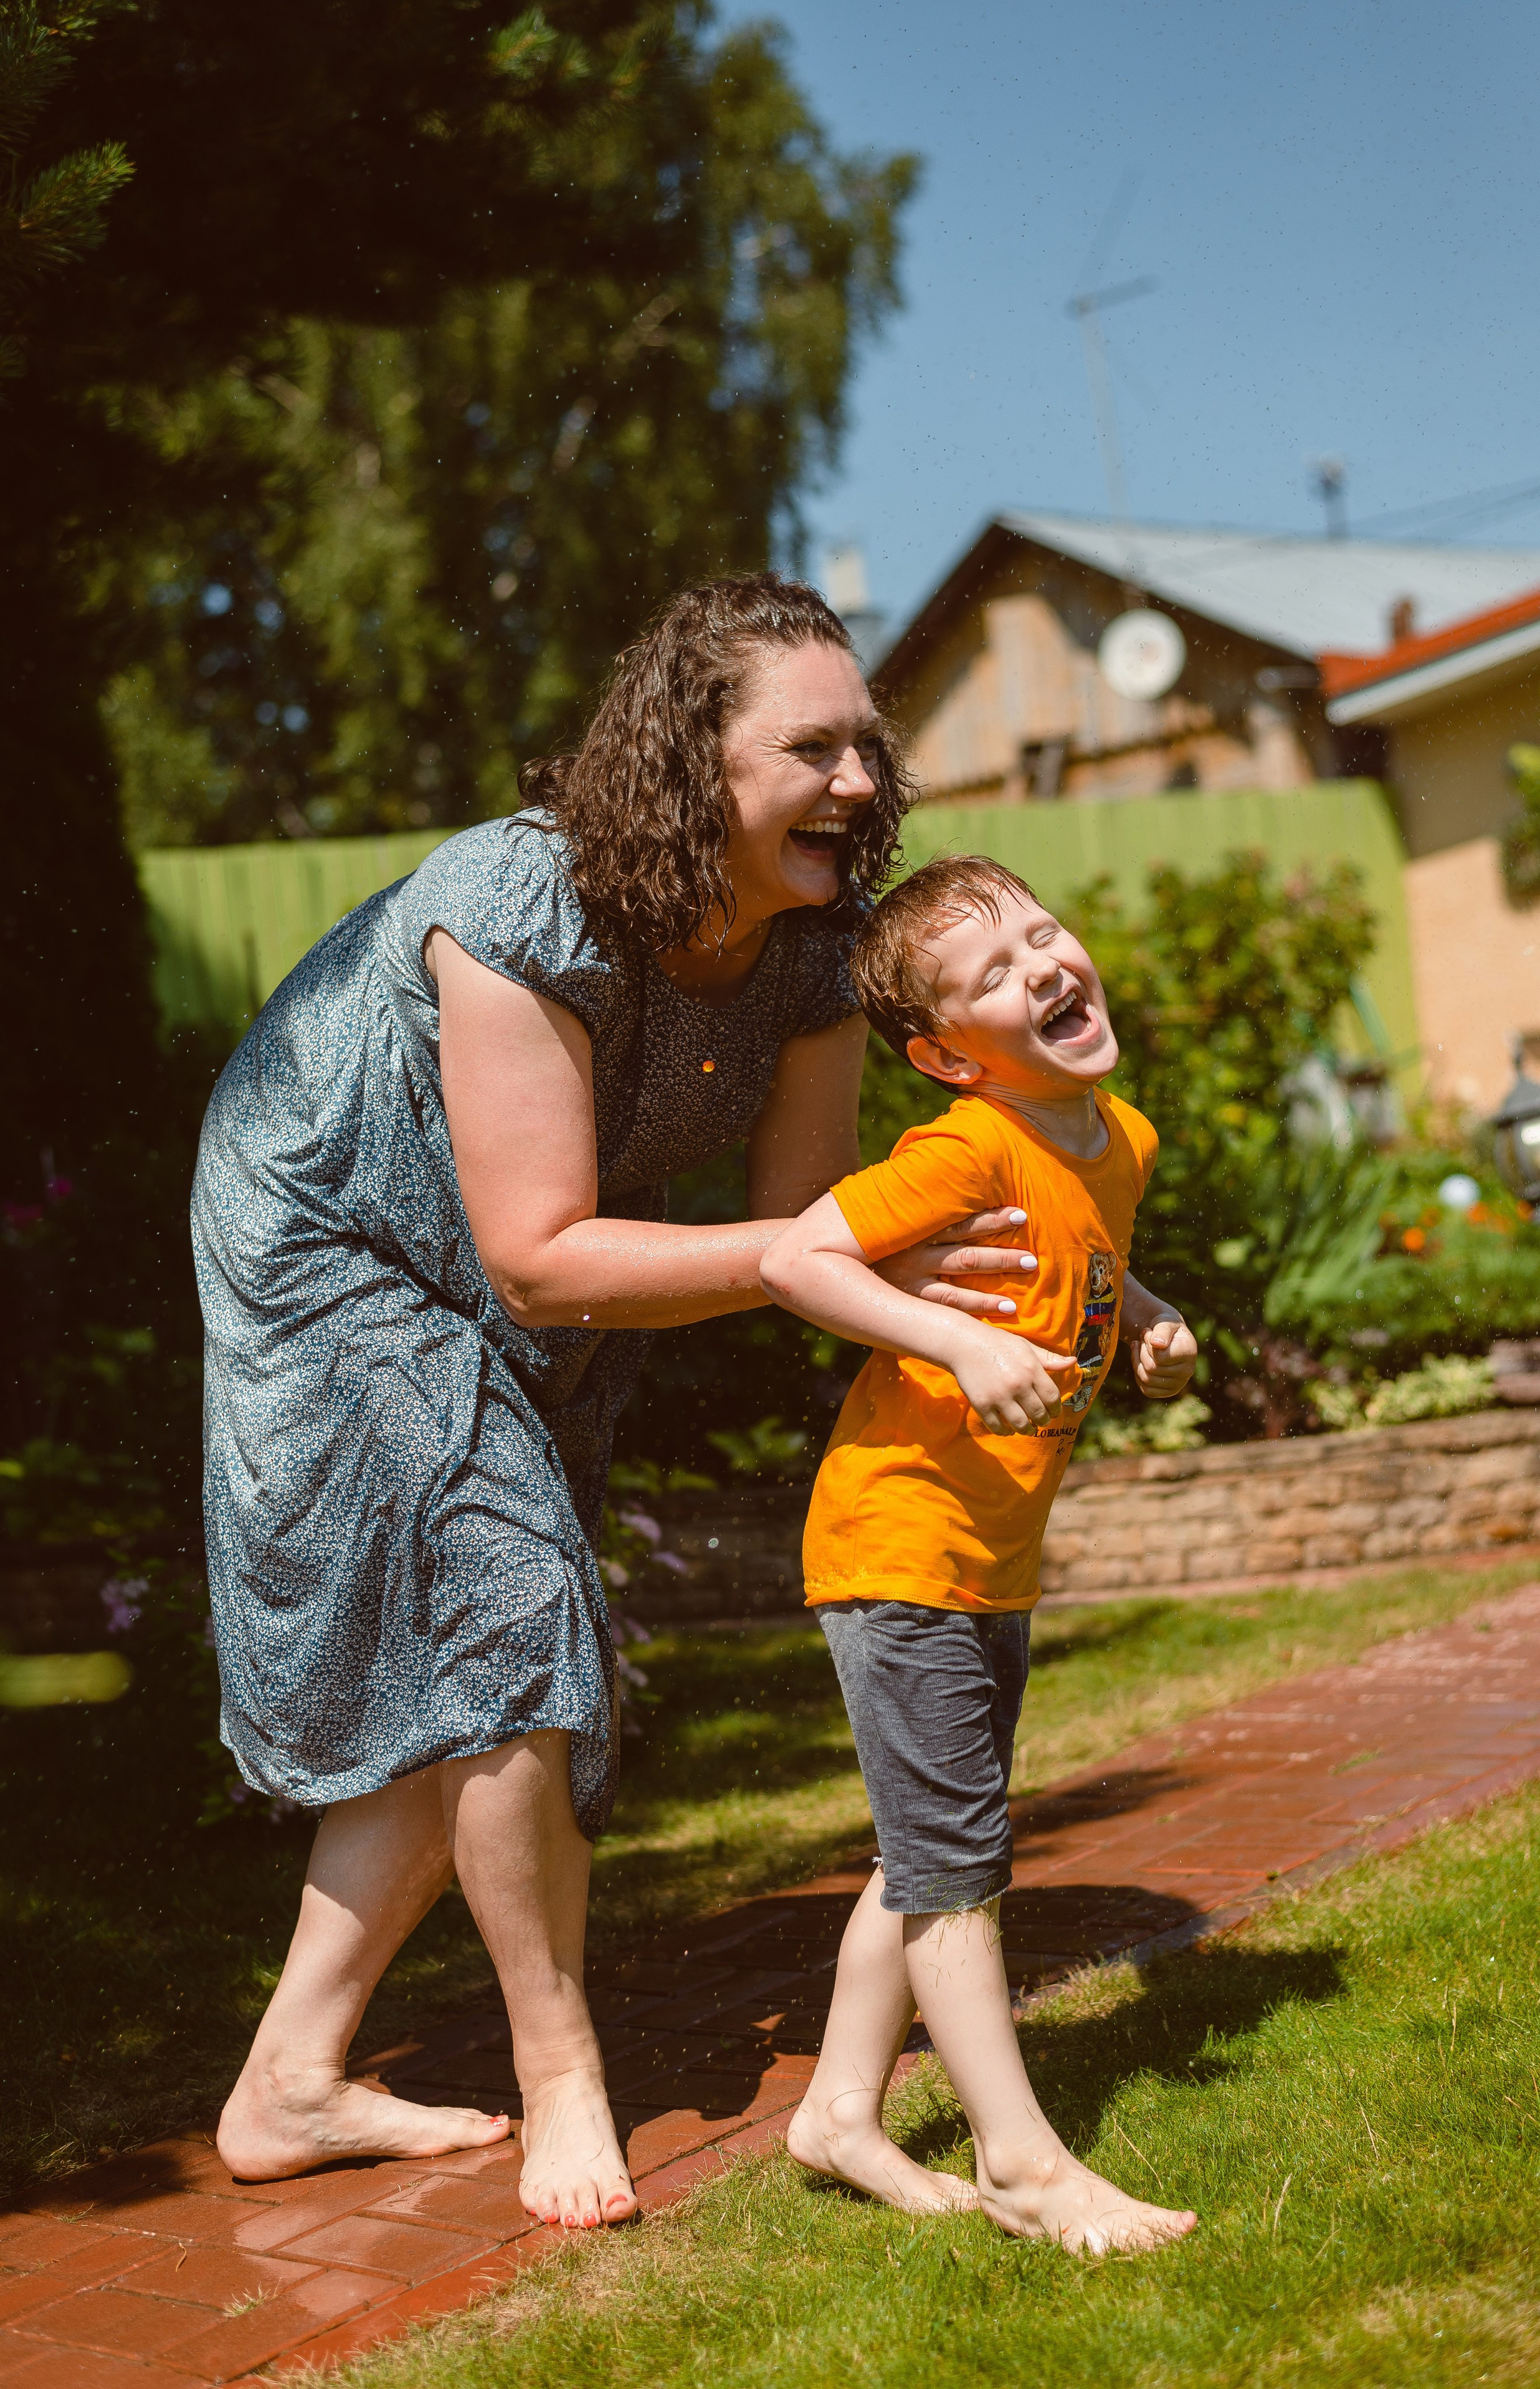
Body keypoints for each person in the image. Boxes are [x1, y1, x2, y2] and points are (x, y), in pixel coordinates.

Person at [193, 579, 1037, 2230]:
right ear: (691, 763)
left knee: (484, 1654)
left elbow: (806, 1217)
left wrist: (985, 1253)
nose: (863, 778)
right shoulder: (529, 897)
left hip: (533, 1260)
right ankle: (561, 2059)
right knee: (513, 1612)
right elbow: (539, 1253)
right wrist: (826, 1261)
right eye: (814, 745)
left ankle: (292, 2074)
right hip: (334, 1234)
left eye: (868, 740)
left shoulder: (807, 951)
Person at [759, 853, 1201, 2253]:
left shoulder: (1110, 1134)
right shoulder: (963, 1144)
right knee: (956, 1862)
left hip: (985, 1552)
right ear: (948, 1055)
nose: (1043, 966)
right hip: (900, 1537)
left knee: (922, 1845)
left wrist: (1145, 1318)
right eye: (996, 975)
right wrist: (954, 1336)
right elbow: (796, 1261)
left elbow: (1082, 1252)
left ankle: (836, 2113)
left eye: (1041, 933)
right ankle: (1018, 2160)